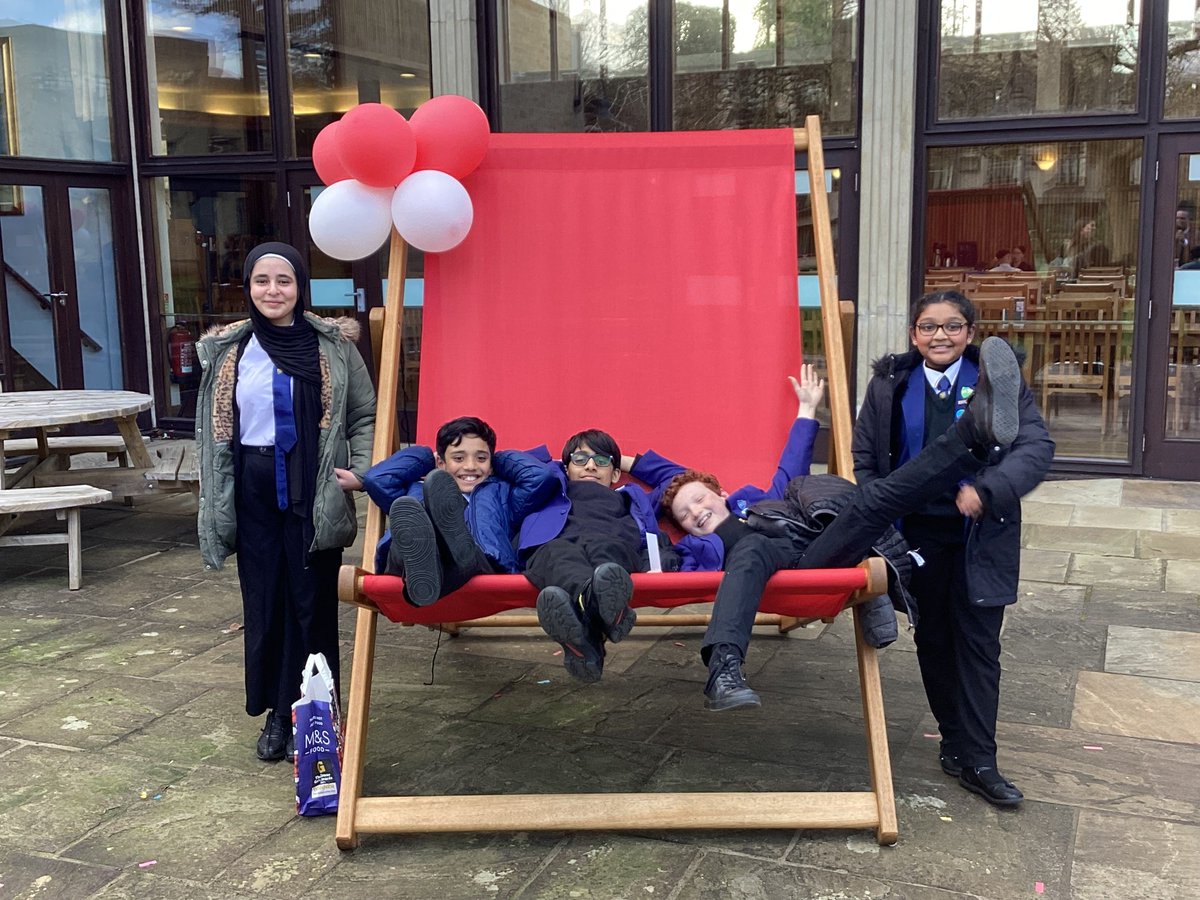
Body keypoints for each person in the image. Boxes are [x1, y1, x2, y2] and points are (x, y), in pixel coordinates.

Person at [638, 350, 1025, 712]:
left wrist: (807, 407)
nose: (696, 512)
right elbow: (661, 560)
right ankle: (724, 670)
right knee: (754, 547)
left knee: (877, 499)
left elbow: (792, 468)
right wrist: (606, 466)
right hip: (790, 571)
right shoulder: (692, 550)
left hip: (818, 548)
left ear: (721, 493)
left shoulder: (756, 501)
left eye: (700, 500)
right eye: (685, 515)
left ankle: (973, 432)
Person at [853, 290, 1054, 809]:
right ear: (913, 334)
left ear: (970, 333)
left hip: (979, 537)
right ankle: (954, 742)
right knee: (935, 640)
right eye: (927, 326)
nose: (939, 335)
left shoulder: (997, 383)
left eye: (952, 326)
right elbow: (867, 459)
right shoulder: (890, 385)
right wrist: (883, 516)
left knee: (980, 645)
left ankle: (982, 760)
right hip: (916, 537)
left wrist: (989, 490)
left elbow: (1036, 448)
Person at [196, 241, 376, 764]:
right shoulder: (229, 349)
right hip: (253, 487)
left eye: (284, 281)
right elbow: (216, 432)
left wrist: (359, 473)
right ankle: (278, 713)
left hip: (311, 485)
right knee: (265, 601)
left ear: (301, 287)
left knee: (311, 602)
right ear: (249, 288)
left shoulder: (333, 347)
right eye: (262, 281)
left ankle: (318, 713)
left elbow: (364, 415)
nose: (273, 291)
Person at [521, 430, 673, 683]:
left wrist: (623, 461)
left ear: (615, 474)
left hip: (613, 545)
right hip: (555, 543)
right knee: (559, 554)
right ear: (566, 468)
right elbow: (507, 464)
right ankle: (601, 615)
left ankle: (586, 641)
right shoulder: (547, 490)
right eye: (580, 459)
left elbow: (676, 477)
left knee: (606, 557)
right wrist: (553, 463)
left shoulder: (631, 498)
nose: (591, 465)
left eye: (602, 461)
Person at [361, 416, 558, 603]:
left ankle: (431, 576)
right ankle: (426, 566)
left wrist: (498, 460)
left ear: (491, 466)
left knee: (466, 556)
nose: (470, 466)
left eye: (481, 458)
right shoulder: (416, 490)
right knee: (408, 528)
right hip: (409, 561)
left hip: (480, 563)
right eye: (458, 458)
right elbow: (377, 479)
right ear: (441, 462)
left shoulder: (502, 495)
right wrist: (427, 457)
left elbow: (540, 477)